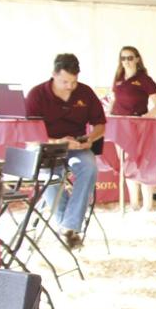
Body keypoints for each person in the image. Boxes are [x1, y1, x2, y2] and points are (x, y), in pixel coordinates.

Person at [25, 53, 106, 249]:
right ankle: (68, 229)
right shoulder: (37, 94)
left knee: (89, 167)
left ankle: (67, 226)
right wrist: (57, 142)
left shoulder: (85, 92)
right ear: (53, 74)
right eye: (64, 81)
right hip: (48, 148)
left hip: (78, 146)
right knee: (51, 177)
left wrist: (90, 138)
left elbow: (100, 124)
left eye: (73, 81)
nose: (70, 86)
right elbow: (30, 135)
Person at [109, 45, 156, 211]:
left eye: (129, 57)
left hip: (138, 127)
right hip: (119, 126)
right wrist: (109, 114)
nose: (126, 61)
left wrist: (144, 118)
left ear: (137, 59)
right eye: (123, 58)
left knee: (142, 164)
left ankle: (147, 204)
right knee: (126, 165)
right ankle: (134, 203)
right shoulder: (118, 78)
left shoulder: (144, 80)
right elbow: (115, 100)